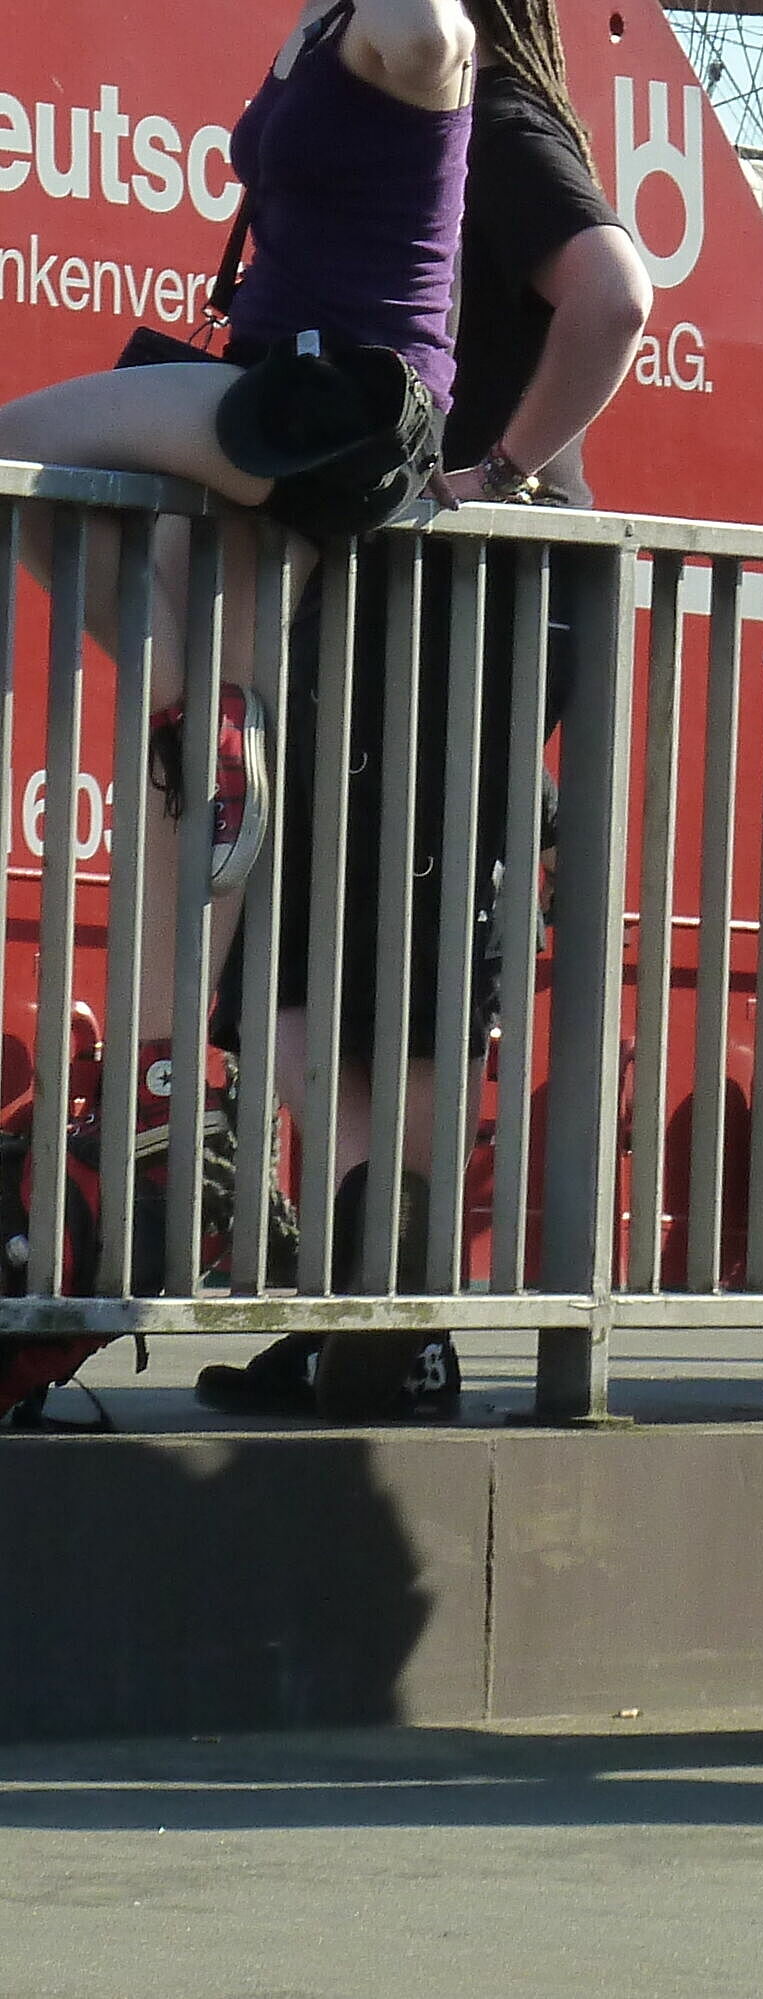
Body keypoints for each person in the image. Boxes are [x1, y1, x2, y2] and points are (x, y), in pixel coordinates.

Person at [190, 0, 654, 1421]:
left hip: (439, 612)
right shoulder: (480, 111)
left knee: (378, 970)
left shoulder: (491, 120)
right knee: (351, 974)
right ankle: (367, 1304)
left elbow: (614, 293)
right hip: (420, 610)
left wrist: (494, 471)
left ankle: (402, 1313)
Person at [0, 0, 473, 1223]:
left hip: (336, 401)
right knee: (215, 763)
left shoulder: (409, 23)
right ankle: (165, 1079)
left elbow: (434, 44)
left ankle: (185, 701)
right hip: (284, 386)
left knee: (16, 456)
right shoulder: (326, 18)